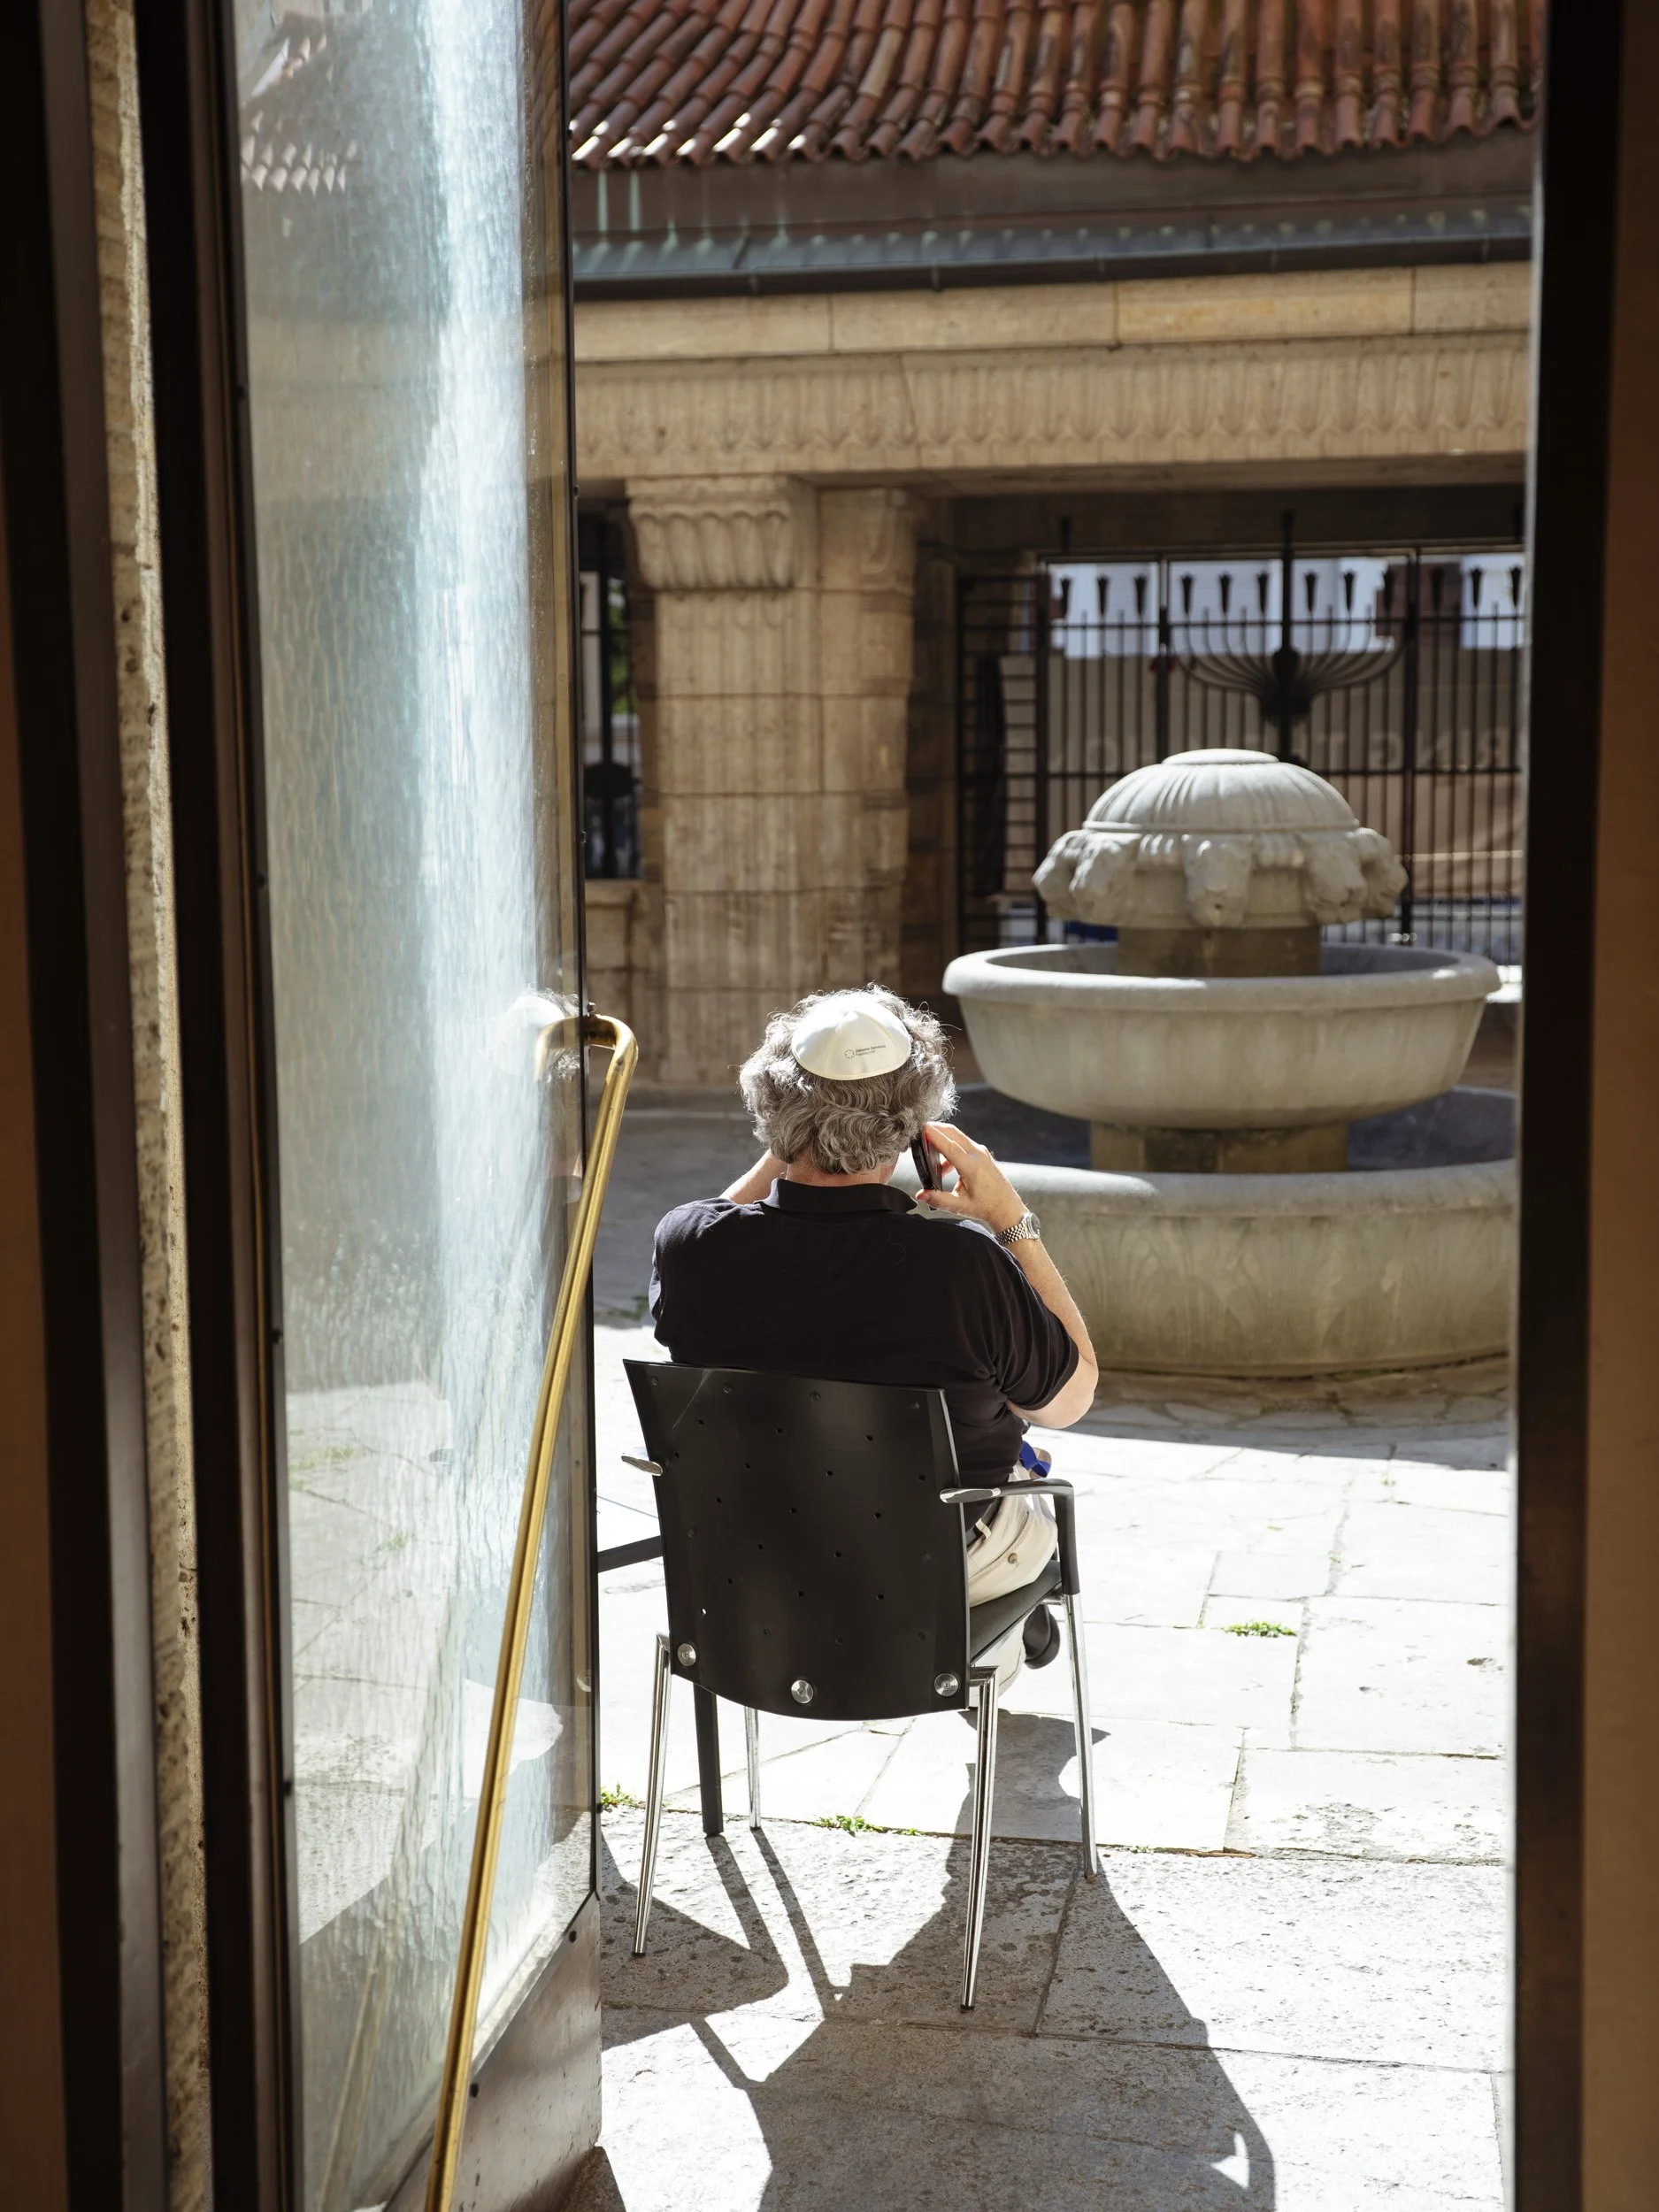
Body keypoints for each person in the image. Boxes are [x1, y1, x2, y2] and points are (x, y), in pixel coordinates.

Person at [648, 986, 1099, 1682]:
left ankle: (1012, 1622)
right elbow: (1066, 1402)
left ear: (770, 1108)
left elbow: (713, 1218)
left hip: (750, 1573)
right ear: (915, 1124)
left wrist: (792, 1140)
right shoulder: (961, 1264)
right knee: (1025, 1462)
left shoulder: (688, 1245)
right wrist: (1012, 1223)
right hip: (924, 1573)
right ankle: (1007, 1628)